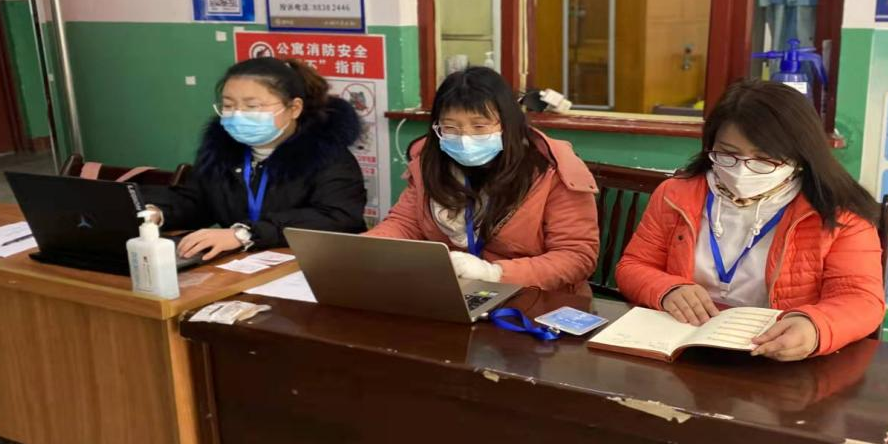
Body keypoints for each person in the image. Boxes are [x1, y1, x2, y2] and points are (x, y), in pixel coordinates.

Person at [615, 79, 885, 361]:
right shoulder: (676, 194)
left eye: (764, 160)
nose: (742, 171)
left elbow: (861, 299)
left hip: (772, 353)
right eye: (728, 154)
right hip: (684, 342)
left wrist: (814, 326)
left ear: (800, 158)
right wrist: (667, 289)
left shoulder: (840, 212)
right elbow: (633, 266)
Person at [369, 67, 600, 294]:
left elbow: (576, 256)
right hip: (453, 291)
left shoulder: (551, 169)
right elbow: (405, 224)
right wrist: (363, 251)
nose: (465, 138)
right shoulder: (430, 161)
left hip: (535, 298)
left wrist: (494, 274)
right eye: (450, 127)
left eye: (479, 126)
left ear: (508, 123)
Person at [143, 57, 366, 260]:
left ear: (294, 108)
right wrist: (159, 213)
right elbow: (199, 201)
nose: (238, 114)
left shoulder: (329, 156)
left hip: (315, 265)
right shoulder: (221, 152)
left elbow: (337, 218)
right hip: (242, 266)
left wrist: (245, 234)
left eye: (252, 106)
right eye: (228, 105)